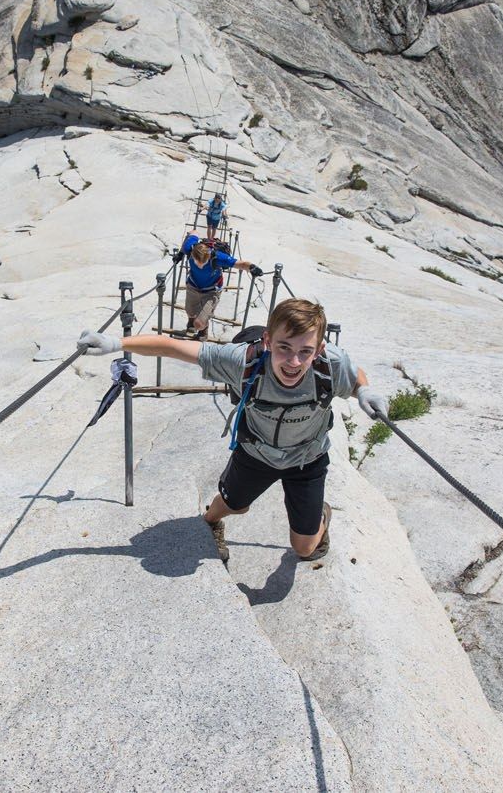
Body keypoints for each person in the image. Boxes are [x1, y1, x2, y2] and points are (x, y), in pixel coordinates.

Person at [77, 298, 388, 562]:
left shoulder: (330, 364)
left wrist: (363, 391)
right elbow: (173, 347)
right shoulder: (242, 361)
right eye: (284, 348)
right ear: (267, 341)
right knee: (229, 506)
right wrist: (116, 343)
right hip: (255, 453)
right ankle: (211, 523)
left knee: (305, 549)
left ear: (320, 348)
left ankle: (320, 514)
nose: (294, 361)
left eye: (305, 351)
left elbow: (353, 373)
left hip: (307, 460)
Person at [173, 233, 260, 340]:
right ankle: (191, 322)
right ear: (193, 256)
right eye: (197, 262)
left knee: (199, 323)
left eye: (204, 262)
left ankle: (203, 330)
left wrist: (252, 267)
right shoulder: (190, 249)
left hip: (212, 290)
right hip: (193, 285)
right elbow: (193, 233)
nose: (201, 265)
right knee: (189, 310)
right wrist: (181, 253)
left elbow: (240, 263)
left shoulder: (217, 257)